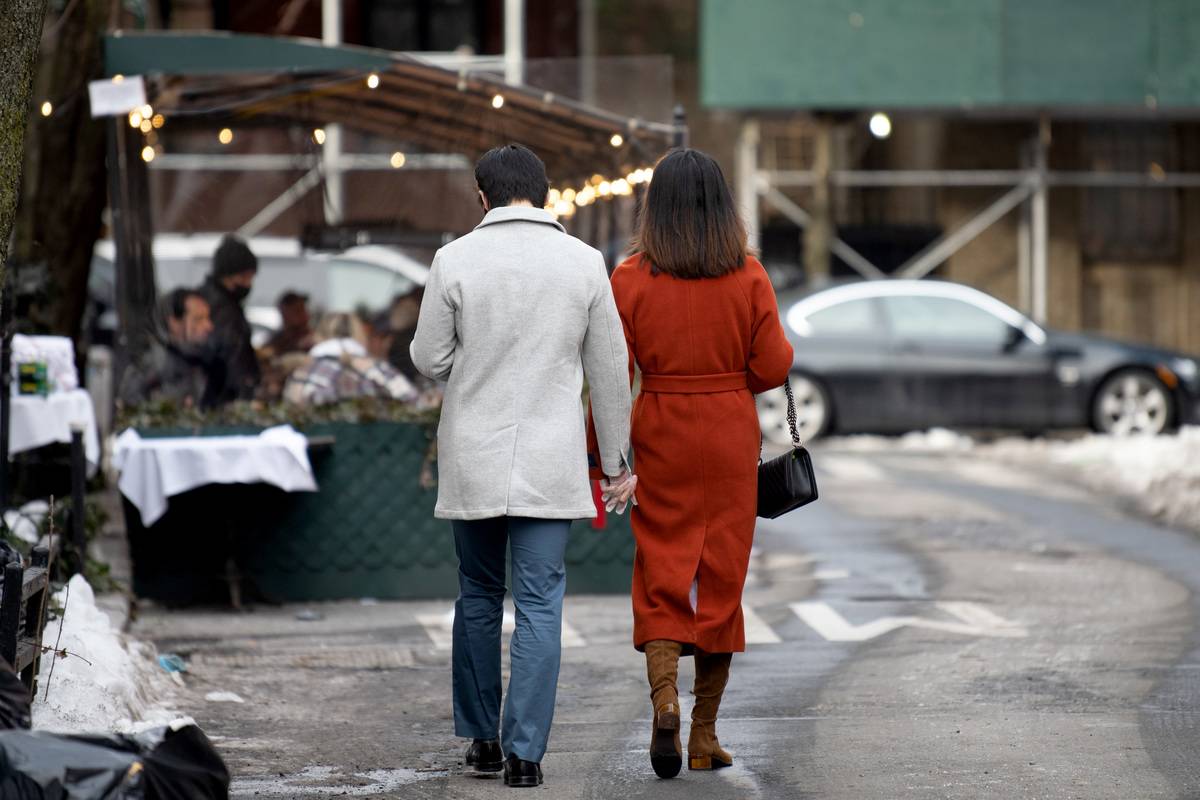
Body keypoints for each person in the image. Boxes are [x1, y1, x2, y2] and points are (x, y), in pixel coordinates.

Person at [410, 143, 632, 788]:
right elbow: (609, 371)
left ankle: (481, 741)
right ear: (544, 192)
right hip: (550, 455)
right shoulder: (585, 263)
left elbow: (428, 357)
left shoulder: (453, 259)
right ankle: (526, 755)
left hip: (474, 452)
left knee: (478, 592)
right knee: (540, 602)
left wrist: (470, 364)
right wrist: (615, 460)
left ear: (482, 196)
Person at [587, 148, 793, 779]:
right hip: (729, 431)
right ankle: (704, 737)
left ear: (657, 206)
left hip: (662, 431)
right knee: (721, 577)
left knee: (662, 566)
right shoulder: (749, 275)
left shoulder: (630, 278)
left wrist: (604, 452)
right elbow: (771, 368)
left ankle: (665, 700)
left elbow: (611, 375)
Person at [282, 312, 416, 406]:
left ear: (319, 335)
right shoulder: (377, 369)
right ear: (361, 335)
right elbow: (414, 401)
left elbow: (290, 413)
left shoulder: (302, 372)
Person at [119, 288, 215, 408]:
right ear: (174, 323)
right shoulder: (155, 360)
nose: (208, 326)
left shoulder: (205, 360)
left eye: (208, 318)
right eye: (198, 319)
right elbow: (131, 403)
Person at [201, 234, 261, 405]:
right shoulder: (223, 309)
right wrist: (245, 390)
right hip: (223, 399)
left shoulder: (217, 301)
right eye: (245, 277)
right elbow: (232, 354)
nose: (249, 284)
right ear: (228, 275)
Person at [265, 291, 315, 356]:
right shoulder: (276, 342)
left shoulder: (315, 340)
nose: (306, 315)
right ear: (284, 314)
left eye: (304, 309)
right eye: (298, 311)